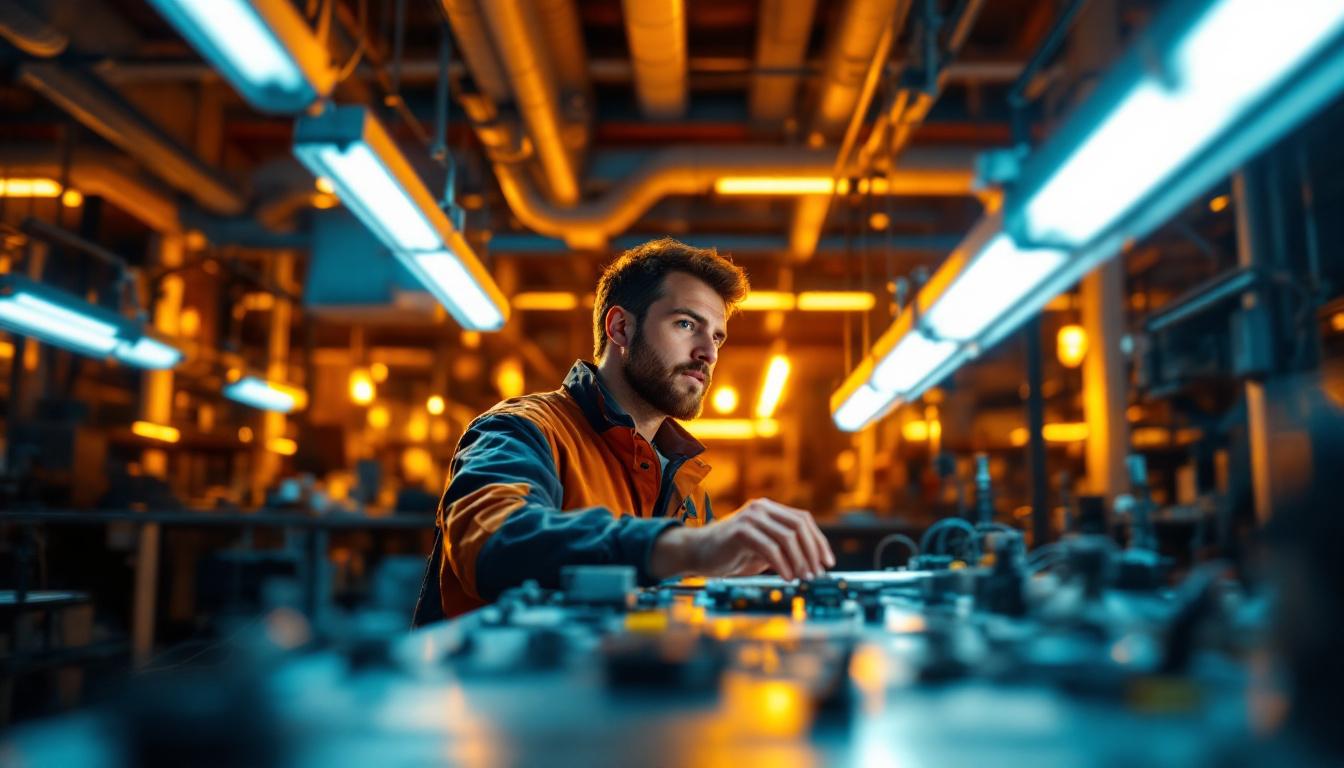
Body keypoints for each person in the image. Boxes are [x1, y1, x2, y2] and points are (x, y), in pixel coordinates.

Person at [412, 237, 834, 624]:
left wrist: (735, 580)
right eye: (686, 324)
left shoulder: (687, 486)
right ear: (620, 329)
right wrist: (689, 548)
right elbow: (495, 544)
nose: (707, 352)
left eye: (717, 337)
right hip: (492, 699)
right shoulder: (521, 430)